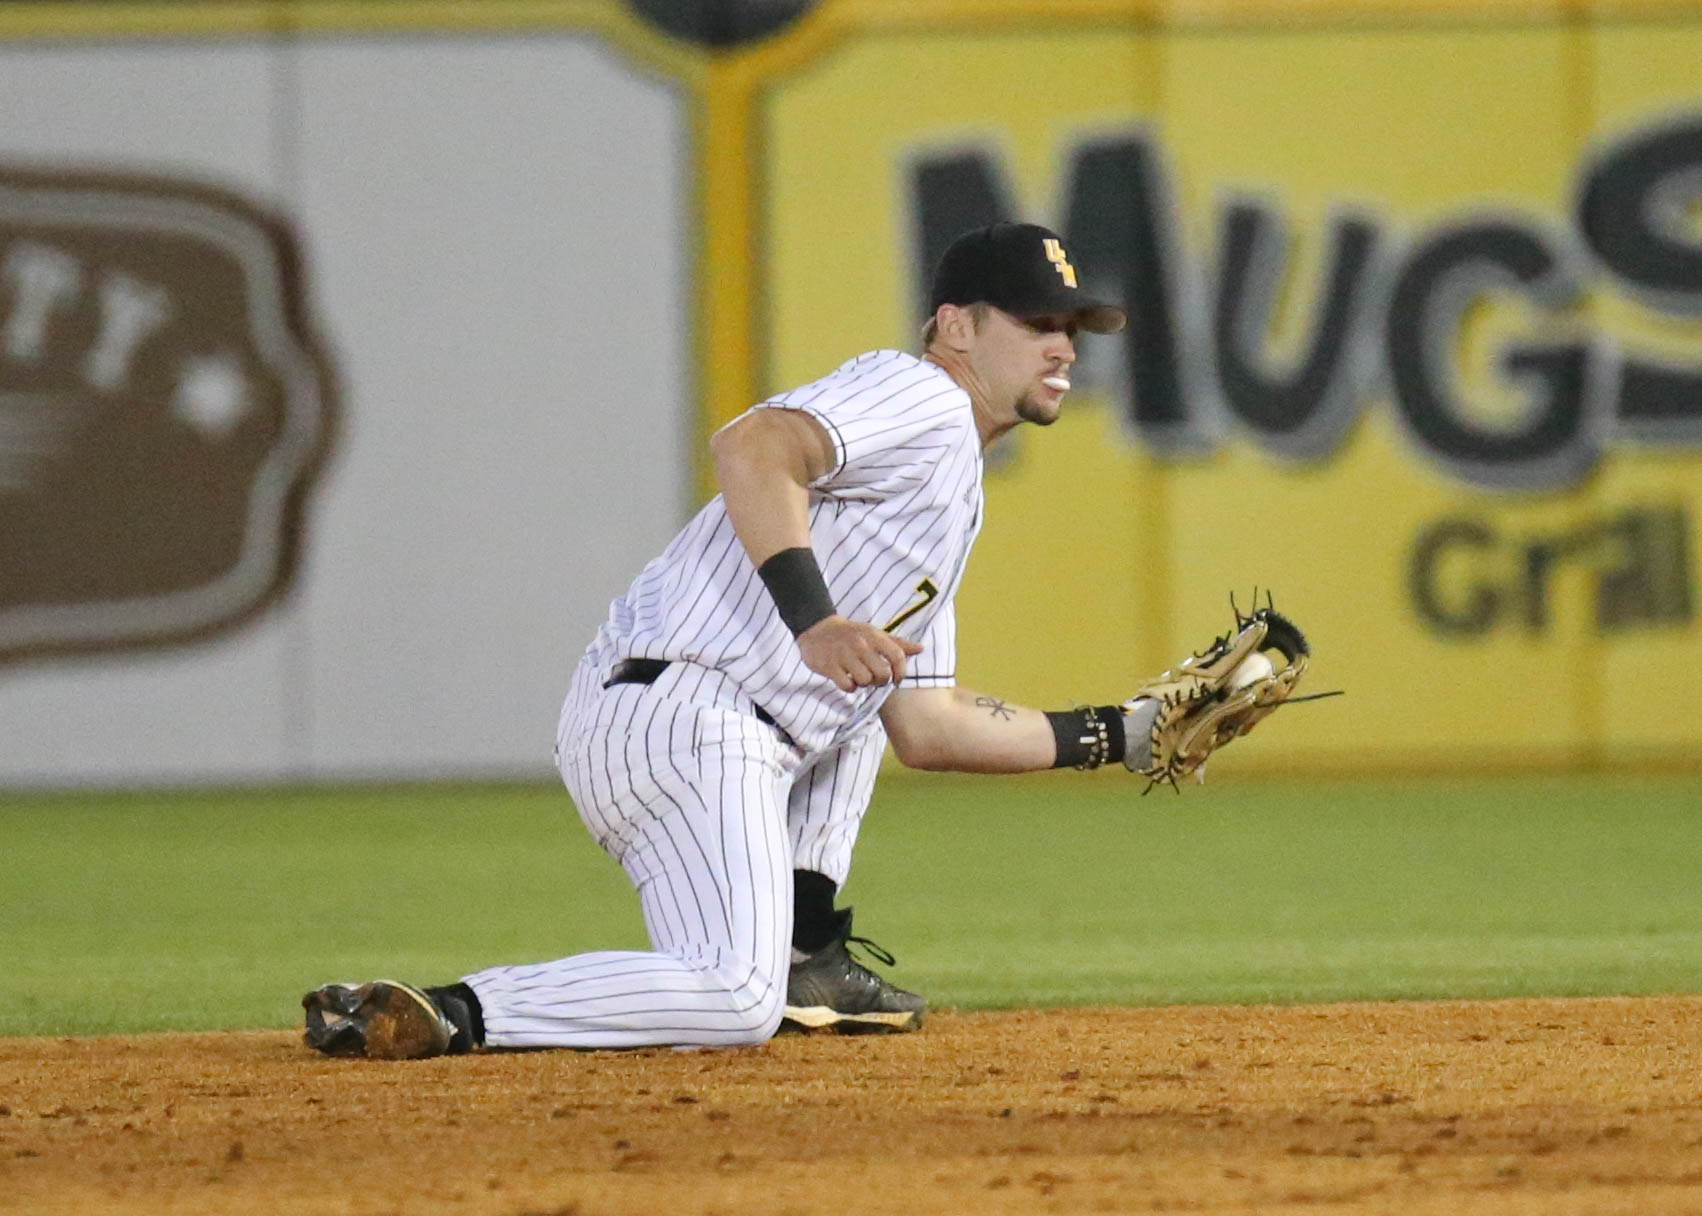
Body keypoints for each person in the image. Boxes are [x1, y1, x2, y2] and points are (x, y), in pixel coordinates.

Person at [303, 221, 1163, 1059]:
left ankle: (803, 951)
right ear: (957, 327)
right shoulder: (925, 396)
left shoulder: (949, 495)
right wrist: (814, 621)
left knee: (871, 689)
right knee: (735, 997)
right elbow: (754, 445)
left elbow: (929, 725)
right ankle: (456, 1011)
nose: (1064, 348)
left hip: (706, 725)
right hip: (688, 715)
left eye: (1073, 328)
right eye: (1038, 322)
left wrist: (1123, 734)